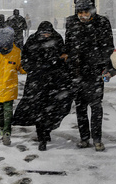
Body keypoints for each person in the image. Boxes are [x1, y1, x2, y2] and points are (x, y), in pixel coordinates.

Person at [64, 0, 114, 151]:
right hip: (77, 71)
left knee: (96, 106)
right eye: (80, 12)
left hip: (95, 71)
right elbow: (68, 45)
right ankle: (84, 138)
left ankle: (97, 139)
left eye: (86, 12)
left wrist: (107, 68)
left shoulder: (102, 23)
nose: (83, 15)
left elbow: (108, 46)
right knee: (80, 107)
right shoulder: (71, 23)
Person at [13, 21, 74, 151]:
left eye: (48, 33)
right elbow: (25, 59)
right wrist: (35, 68)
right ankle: (42, 136)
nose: (46, 36)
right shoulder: (33, 40)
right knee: (38, 109)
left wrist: (57, 65)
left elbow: (62, 58)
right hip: (37, 82)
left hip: (54, 81)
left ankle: (47, 131)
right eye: (43, 33)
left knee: (52, 108)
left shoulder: (57, 39)